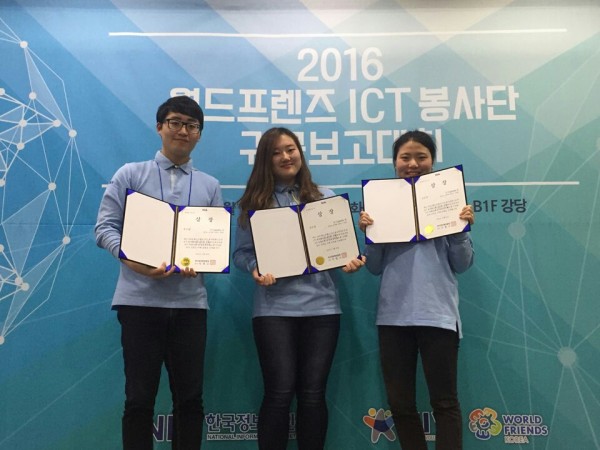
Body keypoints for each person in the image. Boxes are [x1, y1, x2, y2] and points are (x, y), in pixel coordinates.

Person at [95, 96, 223, 450]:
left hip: (190, 306)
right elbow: (104, 228)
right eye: (175, 122)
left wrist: (203, 260)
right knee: (139, 399)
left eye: (192, 126)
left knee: (190, 399)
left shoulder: (210, 185)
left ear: (199, 134)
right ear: (160, 127)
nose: (183, 130)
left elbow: (214, 243)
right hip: (139, 303)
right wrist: (132, 260)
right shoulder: (130, 174)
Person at [233, 127, 364, 450]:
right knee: (278, 393)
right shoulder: (254, 204)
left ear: (300, 153)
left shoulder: (324, 197)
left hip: (322, 309)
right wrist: (255, 268)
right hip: (273, 310)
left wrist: (349, 261)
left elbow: (342, 249)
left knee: (313, 394)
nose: (285, 156)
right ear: (265, 160)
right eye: (276, 152)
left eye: (290, 149)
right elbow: (241, 254)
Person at [359, 130, 475, 450]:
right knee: (400, 405)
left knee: (445, 403)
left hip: (438, 315)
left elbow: (463, 264)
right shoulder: (381, 204)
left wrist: (461, 229)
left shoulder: (448, 201)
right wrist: (370, 234)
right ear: (394, 163)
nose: (412, 164)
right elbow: (373, 267)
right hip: (393, 318)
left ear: (432, 162)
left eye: (421, 157)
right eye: (405, 157)